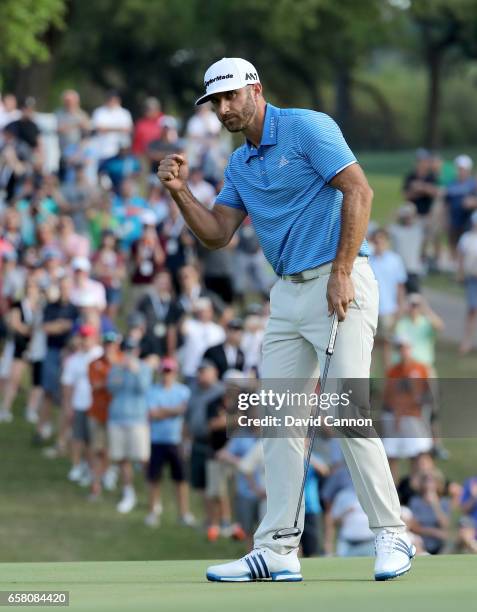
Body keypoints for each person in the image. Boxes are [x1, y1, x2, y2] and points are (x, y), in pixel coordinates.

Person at [159, 57, 415, 582]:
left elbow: (359, 190)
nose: (225, 109)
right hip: (288, 295)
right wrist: (181, 192)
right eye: (216, 102)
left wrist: (341, 271)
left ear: (256, 89)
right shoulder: (240, 165)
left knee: (345, 408)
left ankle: (393, 534)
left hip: (339, 281)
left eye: (232, 96)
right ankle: (277, 549)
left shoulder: (306, 127)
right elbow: (217, 233)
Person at [145, 357, 195, 528]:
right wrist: (175, 411)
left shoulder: (183, 391)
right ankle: (153, 512)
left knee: (180, 479)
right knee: (154, 478)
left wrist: (163, 412)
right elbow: (153, 414)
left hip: (176, 441)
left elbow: (185, 412)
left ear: (175, 373)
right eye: (164, 371)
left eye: (170, 371)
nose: (167, 374)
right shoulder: (152, 390)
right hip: (157, 440)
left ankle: (184, 513)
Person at [107, 336, 152, 513]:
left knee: (143, 458)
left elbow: (144, 389)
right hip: (117, 418)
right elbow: (112, 388)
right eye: (126, 350)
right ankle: (128, 492)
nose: (129, 354)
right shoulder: (116, 368)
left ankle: (151, 495)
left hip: (137, 419)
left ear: (137, 352)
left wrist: (135, 371)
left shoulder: (144, 369)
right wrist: (120, 370)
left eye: (132, 350)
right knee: (121, 457)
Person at [382, 336, 433, 483]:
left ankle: (414, 488)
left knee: (417, 455)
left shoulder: (421, 369)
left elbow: (425, 394)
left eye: (405, 348)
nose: (403, 351)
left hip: (413, 416)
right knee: (392, 456)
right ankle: (393, 490)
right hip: (396, 417)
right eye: (400, 348)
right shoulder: (393, 371)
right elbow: (388, 396)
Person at [61, 324, 103, 485]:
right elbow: (67, 385)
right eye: (83, 337)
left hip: (97, 405)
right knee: (78, 437)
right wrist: (67, 406)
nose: (85, 340)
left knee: (94, 441)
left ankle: (94, 470)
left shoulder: (100, 355)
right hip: (79, 403)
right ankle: (78, 466)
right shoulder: (74, 360)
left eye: (88, 337)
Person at [88, 331, 123, 499]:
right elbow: (96, 385)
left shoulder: (122, 361)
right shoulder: (95, 363)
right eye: (107, 343)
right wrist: (112, 379)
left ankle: (108, 474)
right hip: (99, 412)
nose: (109, 347)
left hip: (117, 414)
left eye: (112, 343)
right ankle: (96, 484)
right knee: (97, 449)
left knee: (111, 450)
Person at [370, 228, 407, 371]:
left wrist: (400, 307)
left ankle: (388, 380)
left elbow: (400, 287)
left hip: (388, 309)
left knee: (387, 344)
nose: (379, 243)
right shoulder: (368, 259)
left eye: (382, 240)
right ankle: (369, 382)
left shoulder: (395, 260)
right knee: (369, 345)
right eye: (377, 240)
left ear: (386, 242)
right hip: (371, 309)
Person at [408, 470, 451, 554]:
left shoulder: (444, 502)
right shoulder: (415, 501)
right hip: (421, 542)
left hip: (439, 544)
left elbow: (445, 525)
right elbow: (413, 527)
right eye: (426, 481)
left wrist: (435, 504)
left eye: (432, 481)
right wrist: (434, 532)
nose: (429, 484)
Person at [388, 203, 424, 292]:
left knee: (414, 298)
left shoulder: (418, 229)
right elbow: (385, 230)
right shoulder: (396, 229)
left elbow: (433, 223)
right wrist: (396, 215)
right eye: (406, 215)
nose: (408, 217)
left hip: (412, 269)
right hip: (397, 269)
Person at [456, 210, 477, 354]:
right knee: (472, 309)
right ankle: (467, 341)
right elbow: (461, 256)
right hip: (472, 277)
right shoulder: (467, 238)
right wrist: (460, 273)